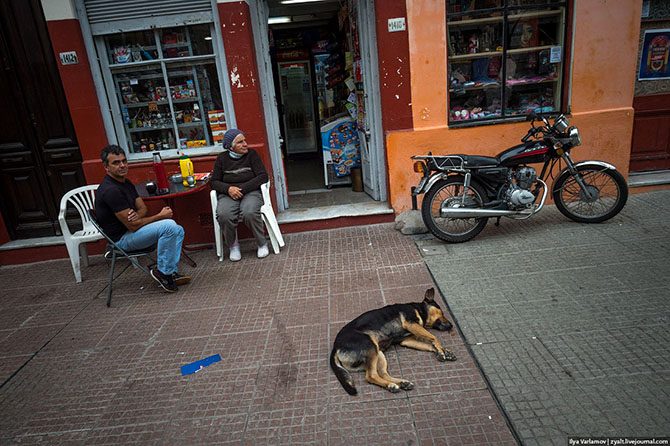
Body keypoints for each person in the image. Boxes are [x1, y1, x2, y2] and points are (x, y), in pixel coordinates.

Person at [94, 144, 191, 292]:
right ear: (106, 167)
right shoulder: (111, 190)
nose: (122, 165)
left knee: (177, 229)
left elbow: (143, 208)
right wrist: (159, 216)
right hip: (122, 240)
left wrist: (137, 217)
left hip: (132, 232)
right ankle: (164, 273)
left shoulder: (125, 183)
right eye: (116, 162)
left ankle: (169, 271)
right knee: (169, 225)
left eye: (124, 161)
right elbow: (133, 226)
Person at [211, 128, 269, 261]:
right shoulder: (222, 159)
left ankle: (262, 243)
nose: (245, 144)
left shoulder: (252, 155)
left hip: (250, 192)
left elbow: (263, 176)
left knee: (249, 212)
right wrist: (229, 189)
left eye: (245, 141)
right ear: (230, 147)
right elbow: (214, 182)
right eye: (240, 142)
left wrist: (242, 189)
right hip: (228, 194)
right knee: (224, 214)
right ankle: (233, 246)